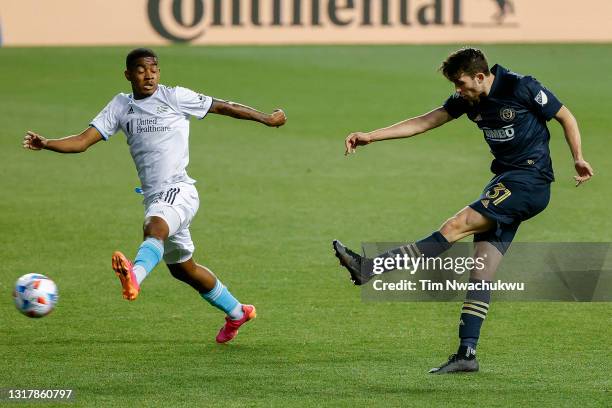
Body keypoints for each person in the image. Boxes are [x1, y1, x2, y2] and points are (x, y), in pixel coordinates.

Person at [332, 47, 593, 373]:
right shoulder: (469, 100)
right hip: (506, 182)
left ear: (481, 77)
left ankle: (370, 268)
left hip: (530, 180)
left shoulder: (520, 87)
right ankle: (466, 353)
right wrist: (371, 136)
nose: (457, 90)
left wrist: (578, 157)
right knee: (482, 270)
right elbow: (424, 122)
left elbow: (565, 115)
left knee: (456, 225)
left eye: (460, 82)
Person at [23, 48, 287, 343]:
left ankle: (134, 277)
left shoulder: (174, 96)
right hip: (155, 196)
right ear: (128, 75)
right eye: (140, 70)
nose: (148, 75)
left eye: (154, 69)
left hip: (180, 190)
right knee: (183, 270)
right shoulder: (121, 106)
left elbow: (222, 106)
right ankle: (238, 312)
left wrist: (267, 119)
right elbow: (83, 141)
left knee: (154, 227)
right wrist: (46, 143)